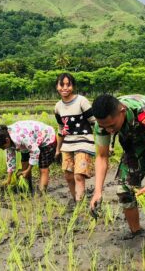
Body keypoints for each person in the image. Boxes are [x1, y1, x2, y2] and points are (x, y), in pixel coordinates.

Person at [89, 94, 145, 246]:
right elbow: (102, 157)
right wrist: (98, 191)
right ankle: (136, 234)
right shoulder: (103, 124)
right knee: (124, 189)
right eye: (105, 127)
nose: (109, 131)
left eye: (112, 126)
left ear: (122, 111)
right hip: (134, 141)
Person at [54, 73, 96, 206]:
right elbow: (61, 129)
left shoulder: (82, 101)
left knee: (79, 175)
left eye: (68, 84)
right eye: (62, 84)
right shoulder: (58, 107)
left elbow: (95, 122)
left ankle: (79, 204)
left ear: (73, 86)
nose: (65, 88)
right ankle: (76, 200)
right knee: (68, 176)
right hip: (67, 144)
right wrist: (57, 149)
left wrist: (105, 144)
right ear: (57, 86)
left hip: (84, 141)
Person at [0, 121, 56, 194]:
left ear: (7, 140)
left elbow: (35, 151)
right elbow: (10, 159)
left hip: (46, 137)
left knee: (43, 168)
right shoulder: (6, 137)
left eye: (3, 147)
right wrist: (9, 179)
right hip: (31, 139)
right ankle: (28, 189)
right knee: (24, 163)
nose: (3, 149)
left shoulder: (21, 138)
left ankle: (41, 194)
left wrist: (28, 169)